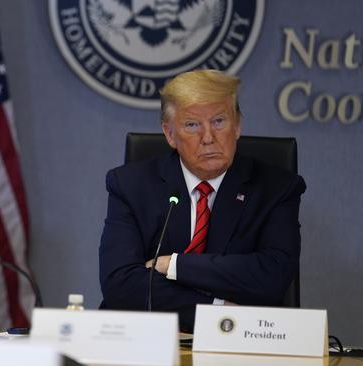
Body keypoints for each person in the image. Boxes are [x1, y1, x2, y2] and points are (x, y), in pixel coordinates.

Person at [99, 69, 306, 332]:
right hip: (144, 340)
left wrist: (173, 264)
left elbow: (272, 276)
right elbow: (120, 284)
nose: (208, 137)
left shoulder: (276, 188)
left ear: (238, 125)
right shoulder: (130, 185)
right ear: (170, 134)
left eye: (219, 121)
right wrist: (218, 311)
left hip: (242, 347)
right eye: (192, 125)